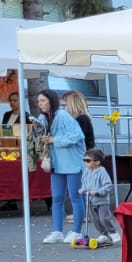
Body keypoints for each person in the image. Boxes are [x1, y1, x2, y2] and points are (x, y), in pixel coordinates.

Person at [36, 89, 87, 245]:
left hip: (72, 162)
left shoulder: (63, 115)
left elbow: (77, 136)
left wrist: (54, 140)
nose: (40, 104)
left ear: (51, 101)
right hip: (57, 163)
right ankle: (57, 231)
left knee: (75, 196)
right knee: (57, 197)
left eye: (43, 100)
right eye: (39, 101)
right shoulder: (43, 118)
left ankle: (77, 231)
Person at [78, 149, 118, 246]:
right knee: (95, 220)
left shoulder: (102, 172)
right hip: (90, 200)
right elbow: (84, 183)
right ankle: (104, 234)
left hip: (102, 201)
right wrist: (83, 189)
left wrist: (99, 192)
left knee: (104, 218)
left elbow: (108, 185)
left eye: (88, 161)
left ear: (97, 162)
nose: (86, 163)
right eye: (84, 160)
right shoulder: (86, 172)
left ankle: (113, 232)